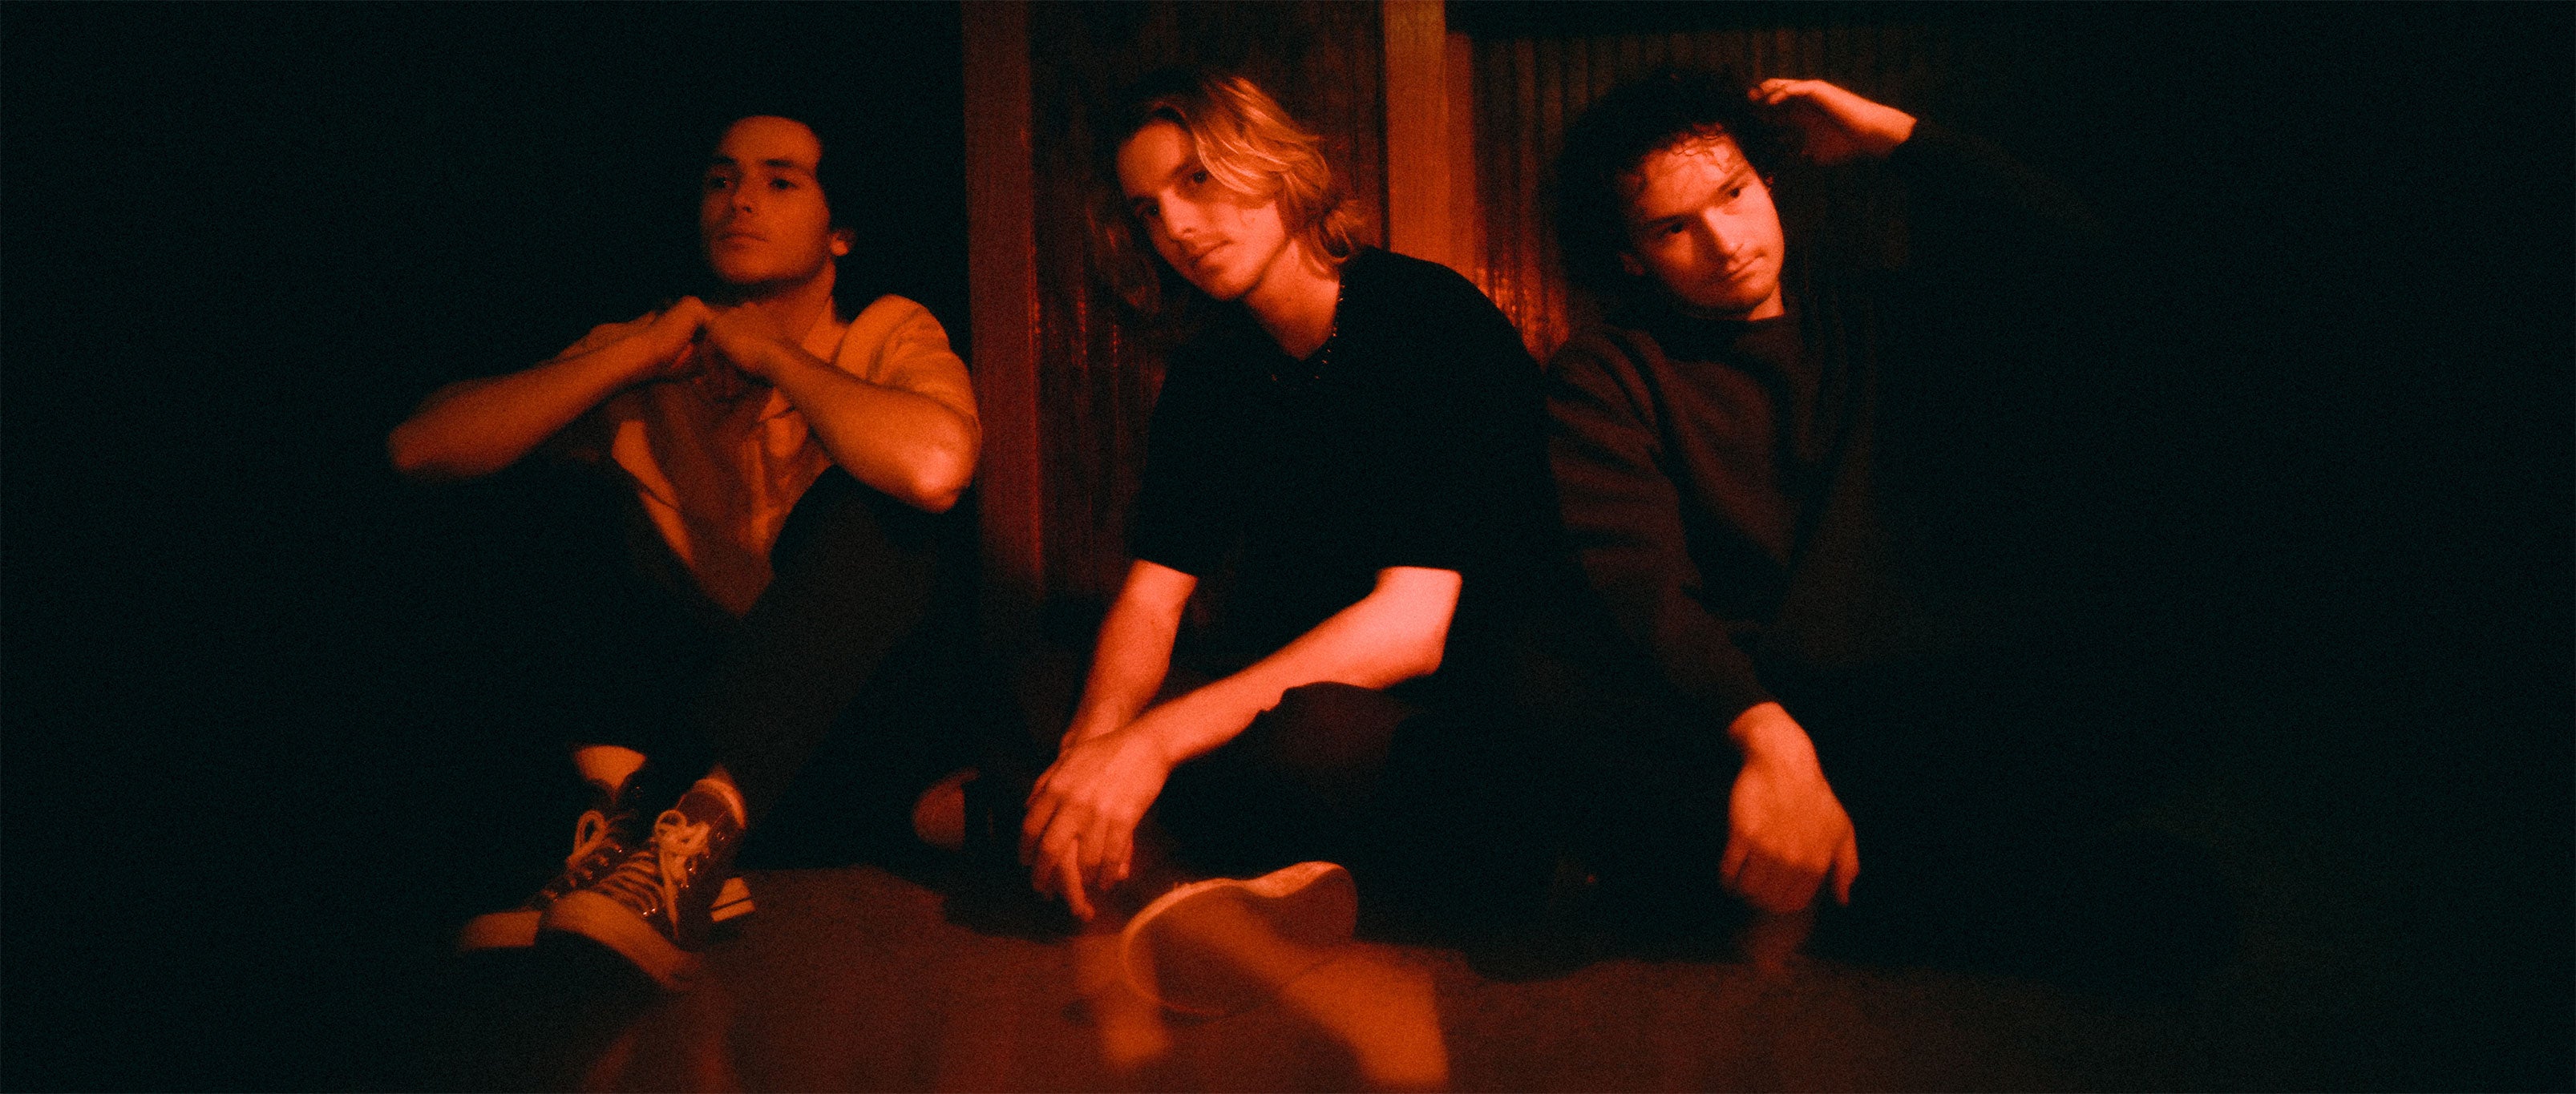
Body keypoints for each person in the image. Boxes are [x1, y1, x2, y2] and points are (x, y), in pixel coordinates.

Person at [954, 70, 1555, 975]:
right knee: (1043, 686)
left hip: (1445, 707)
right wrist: (1095, 752)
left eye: (1195, 180)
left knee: (1311, 739)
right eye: (1148, 210)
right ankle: (1202, 880)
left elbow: (1413, 626)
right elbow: (1153, 597)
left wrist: (1153, 743)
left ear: (1272, 165)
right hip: (1275, 687)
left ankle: (1128, 851)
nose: (1175, 227)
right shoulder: (1215, 371)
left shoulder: (1426, 319)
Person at [1543, 70, 2143, 958]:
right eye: (1673, 227)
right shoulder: (1611, 372)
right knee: (1546, 695)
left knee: (2132, 683)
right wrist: (1768, 735)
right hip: (1736, 711)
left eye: (1733, 194)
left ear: (1767, 180)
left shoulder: (1874, 318)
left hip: (1907, 697)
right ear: (1630, 255)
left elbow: (2077, 257)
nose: (1724, 242)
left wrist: (1895, 137)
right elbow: (1642, 584)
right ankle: (1897, 875)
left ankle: (1825, 869)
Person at [388, 113, 980, 989]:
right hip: (671, 739)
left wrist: (776, 357)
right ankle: (619, 834)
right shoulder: (651, 347)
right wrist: (632, 357)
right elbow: (417, 450)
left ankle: (704, 830)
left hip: (834, 745)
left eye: (780, 181)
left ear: (841, 232)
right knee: (543, 468)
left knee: (881, 508)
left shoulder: (885, 331)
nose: (740, 200)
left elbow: (936, 467)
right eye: (720, 179)